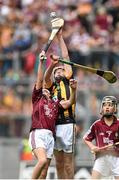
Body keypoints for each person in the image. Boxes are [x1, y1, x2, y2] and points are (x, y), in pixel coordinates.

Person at [28, 51, 77, 179]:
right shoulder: (37, 98)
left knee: (44, 171)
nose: (43, 87)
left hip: (51, 136)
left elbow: (70, 102)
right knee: (42, 162)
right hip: (38, 132)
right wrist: (42, 63)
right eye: (42, 86)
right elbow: (41, 79)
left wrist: (74, 90)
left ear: (50, 92)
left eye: (46, 87)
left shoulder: (55, 103)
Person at [44, 29, 76, 179]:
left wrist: (60, 37)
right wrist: (52, 64)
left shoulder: (68, 79)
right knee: (58, 163)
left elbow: (66, 56)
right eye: (56, 70)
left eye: (61, 70)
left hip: (68, 123)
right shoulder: (50, 84)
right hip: (54, 125)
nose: (59, 71)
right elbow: (45, 76)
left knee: (68, 163)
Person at [83, 96, 119, 179]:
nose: (107, 107)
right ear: (102, 108)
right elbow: (86, 138)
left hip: (116, 159)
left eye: (110, 105)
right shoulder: (97, 124)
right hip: (101, 157)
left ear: (115, 108)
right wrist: (93, 147)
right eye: (104, 105)